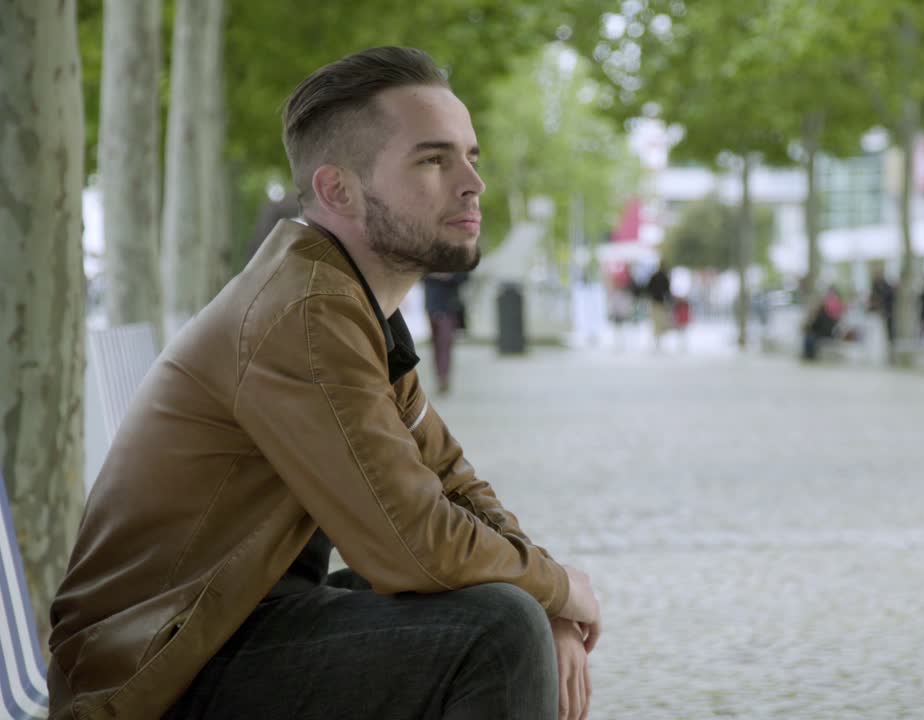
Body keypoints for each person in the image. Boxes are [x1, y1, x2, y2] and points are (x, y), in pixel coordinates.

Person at [48, 47, 600, 720]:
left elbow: (452, 483)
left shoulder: (347, 302)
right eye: (433, 160)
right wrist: (556, 588)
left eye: (470, 156)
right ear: (338, 190)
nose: (472, 183)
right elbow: (414, 543)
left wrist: (549, 593)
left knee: (490, 601)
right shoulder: (305, 312)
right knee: (495, 631)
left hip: (223, 631)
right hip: (155, 675)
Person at [424, 271, 467, 394]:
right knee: (436, 345)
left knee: (444, 343)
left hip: (449, 306)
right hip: (432, 305)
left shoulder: (455, 262)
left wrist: (448, 275)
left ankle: (443, 378)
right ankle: (439, 376)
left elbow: (464, 276)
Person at [802, 286, 847, 361]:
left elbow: (816, 326)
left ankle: (809, 356)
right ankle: (808, 355)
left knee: (809, 338)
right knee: (808, 337)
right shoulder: (823, 313)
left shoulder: (824, 313)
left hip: (824, 333)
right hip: (823, 333)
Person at [645, 261, 673, 350]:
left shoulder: (655, 276)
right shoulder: (664, 277)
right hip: (661, 302)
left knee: (657, 322)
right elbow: (668, 292)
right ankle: (658, 341)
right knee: (660, 322)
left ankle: (657, 341)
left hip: (655, 302)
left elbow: (648, 289)